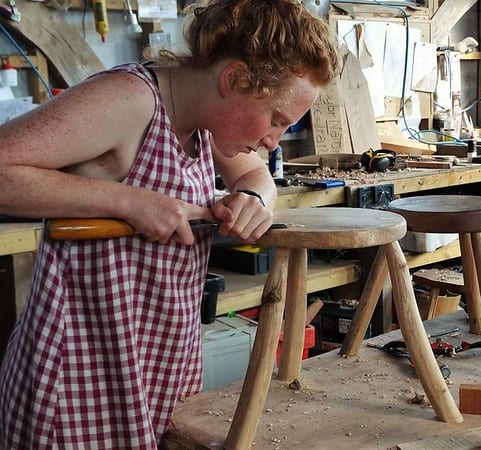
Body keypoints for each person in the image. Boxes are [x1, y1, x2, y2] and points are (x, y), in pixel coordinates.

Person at [0, 0, 339, 447]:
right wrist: (126, 201)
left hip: (156, 361)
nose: (273, 141)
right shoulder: (130, 100)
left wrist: (256, 197)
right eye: (276, 120)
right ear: (234, 79)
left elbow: (257, 174)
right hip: (84, 370)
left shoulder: (203, 121)